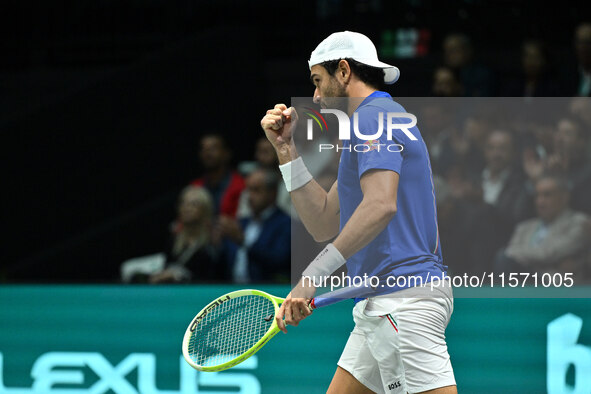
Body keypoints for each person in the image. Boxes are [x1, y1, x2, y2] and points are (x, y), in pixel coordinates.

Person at [261, 31, 456, 394]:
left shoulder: (375, 117)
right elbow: (323, 221)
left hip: (402, 301)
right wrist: (286, 149)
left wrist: (310, 278)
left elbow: (380, 205)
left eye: (318, 81)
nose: (316, 96)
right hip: (380, 300)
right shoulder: (373, 123)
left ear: (345, 71)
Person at [494, 174, 590, 277]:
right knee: (503, 260)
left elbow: (549, 253)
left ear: (564, 197)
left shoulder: (579, 222)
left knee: (504, 258)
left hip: (553, 284)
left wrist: (516, 255)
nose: (540, 202)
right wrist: (554, 264)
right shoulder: (524, 227)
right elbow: (511, 255)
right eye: (537, 196)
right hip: (524, 279)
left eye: (547, 195)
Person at [219, 168, 291, 283]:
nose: (250, 196)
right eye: (248, 190)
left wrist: (243, 241)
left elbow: (279, 260)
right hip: (232, 292)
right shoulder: (242, 223)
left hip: (267, 292)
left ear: (272, 193)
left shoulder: (285, 224)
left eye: (256, 190)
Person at [191, 134, 245, 217]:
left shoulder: (241, 185)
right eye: (203, 149)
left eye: (213, 148)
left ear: (227, 153)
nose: (207, 153)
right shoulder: (195, 187)